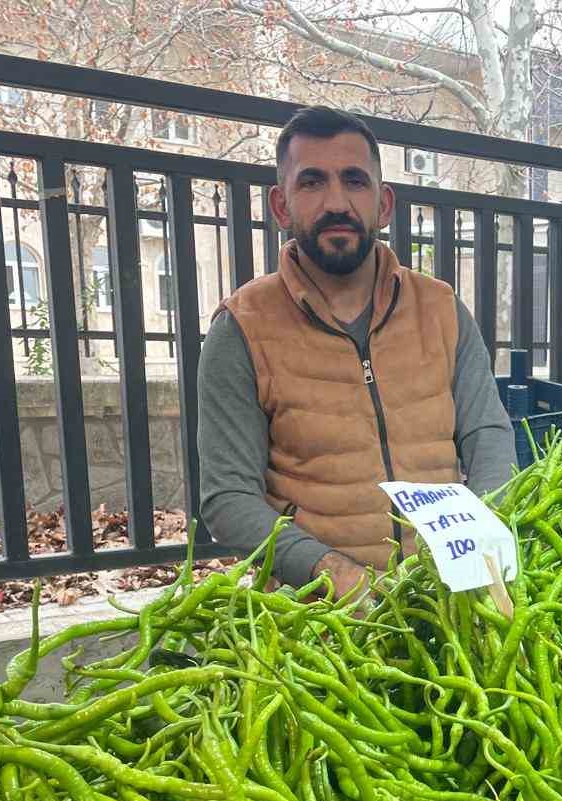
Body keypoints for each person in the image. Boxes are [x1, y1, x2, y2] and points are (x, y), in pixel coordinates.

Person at [198, 106, 515, 595]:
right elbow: (228, 498)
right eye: (311, 183)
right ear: (281, 207)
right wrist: (332, 571)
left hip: (447, 593)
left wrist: (473, 539)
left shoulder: (442, 308)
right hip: (316, 612)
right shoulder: (242, 327)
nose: (336, 202)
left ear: (383, 203)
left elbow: (488, 435)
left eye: (354, 180)